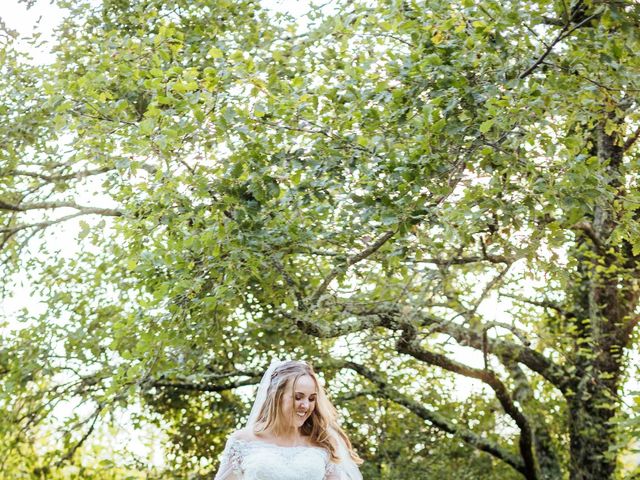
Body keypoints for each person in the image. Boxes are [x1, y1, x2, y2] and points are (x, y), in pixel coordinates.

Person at [213, 359, 363, 480]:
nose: (305, 405)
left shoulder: (322, 442)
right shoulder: (241, 441)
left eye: (311, 399)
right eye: (298, 397)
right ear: (277, 396)